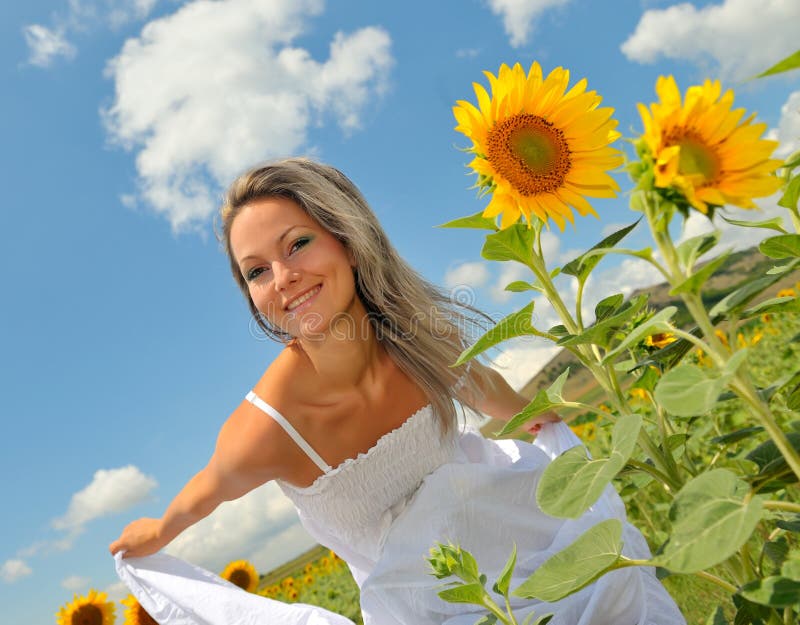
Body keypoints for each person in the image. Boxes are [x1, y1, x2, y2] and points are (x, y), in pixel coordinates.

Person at [110, 158, 686, 625]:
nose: (282, 278)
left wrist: (571, 411)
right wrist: (159, 532)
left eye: (297, 244)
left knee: (614, 585)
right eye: (256, 271)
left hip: (521, 544)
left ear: (348, 240)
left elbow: (508, 403)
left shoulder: (419, 339)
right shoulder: (267, 427)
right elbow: (209, 489)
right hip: (422, 611)